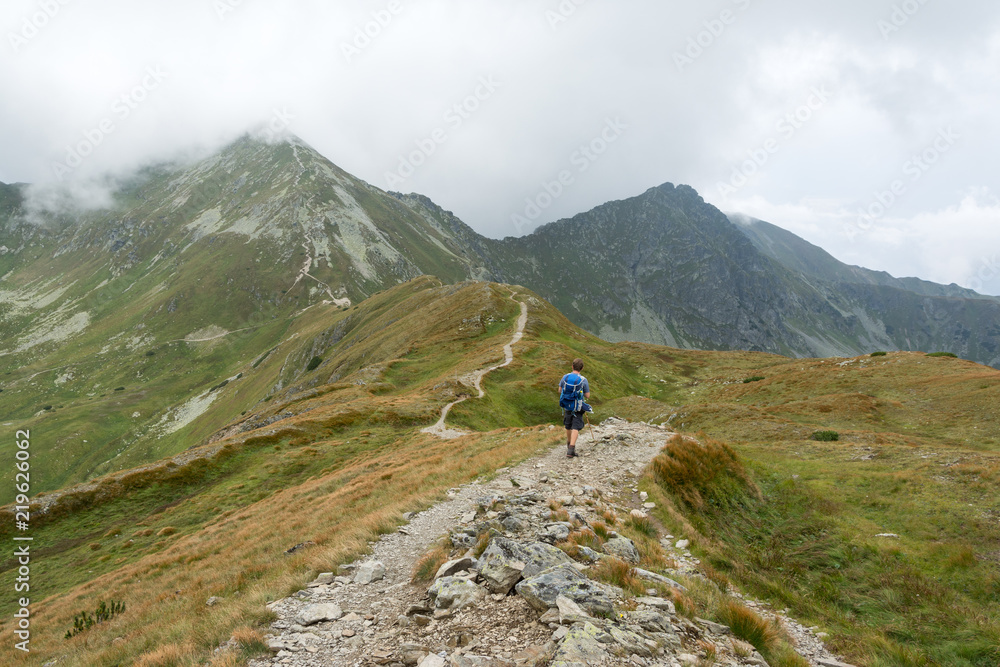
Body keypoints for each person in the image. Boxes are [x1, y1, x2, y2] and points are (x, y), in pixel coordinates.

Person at [558, 358, 591, 458]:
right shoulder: (583, 380)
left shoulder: (565, 377)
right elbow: (587, 395)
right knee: (575, 426)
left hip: (567, 405)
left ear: (572, 366)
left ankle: (568, 445)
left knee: (568, 425)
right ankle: (571, 449)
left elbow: (559, 390)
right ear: (582, 368)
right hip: (578, 406)